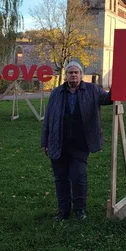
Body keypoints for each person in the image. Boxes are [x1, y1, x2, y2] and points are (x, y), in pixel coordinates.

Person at [41, 61, 112, 221]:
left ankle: (80, 210)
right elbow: (49, 118)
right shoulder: (57, 93)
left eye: (76, 72)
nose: (73, 75)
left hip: (80, 143)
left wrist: (117, 86)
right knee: (60, 178)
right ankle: (63, 211)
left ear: (81, 75)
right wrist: (44, 141)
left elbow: (109, 99)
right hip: (58, 142)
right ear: (66, 75)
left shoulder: (92, 90)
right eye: (70, 72)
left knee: (78, 177)